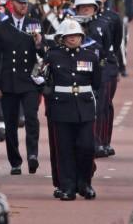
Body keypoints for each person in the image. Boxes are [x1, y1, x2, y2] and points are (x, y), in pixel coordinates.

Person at [35, 18, 101, 201]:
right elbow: (43, 78)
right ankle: (67, 186)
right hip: (61, 107)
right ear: (62, 38)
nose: (73, 39)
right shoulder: (52, 56)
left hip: (84, 107)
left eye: (77, 36)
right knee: (64, 150)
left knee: (87, 147)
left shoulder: (90, 56)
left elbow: (96, 82)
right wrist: (42, 84)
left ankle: (85, 183)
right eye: (69, 36)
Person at [0, 0, 42, 176]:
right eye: (20, 3)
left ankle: (33, 155)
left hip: (29, 80)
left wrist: (39, 44)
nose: (24, 6)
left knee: (31, 118)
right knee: (11, 124)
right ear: (12, 4)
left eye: (25, 3)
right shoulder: (1, 28)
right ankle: (15, 161)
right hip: (9, 81)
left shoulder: (34, 25)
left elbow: (43, 54)